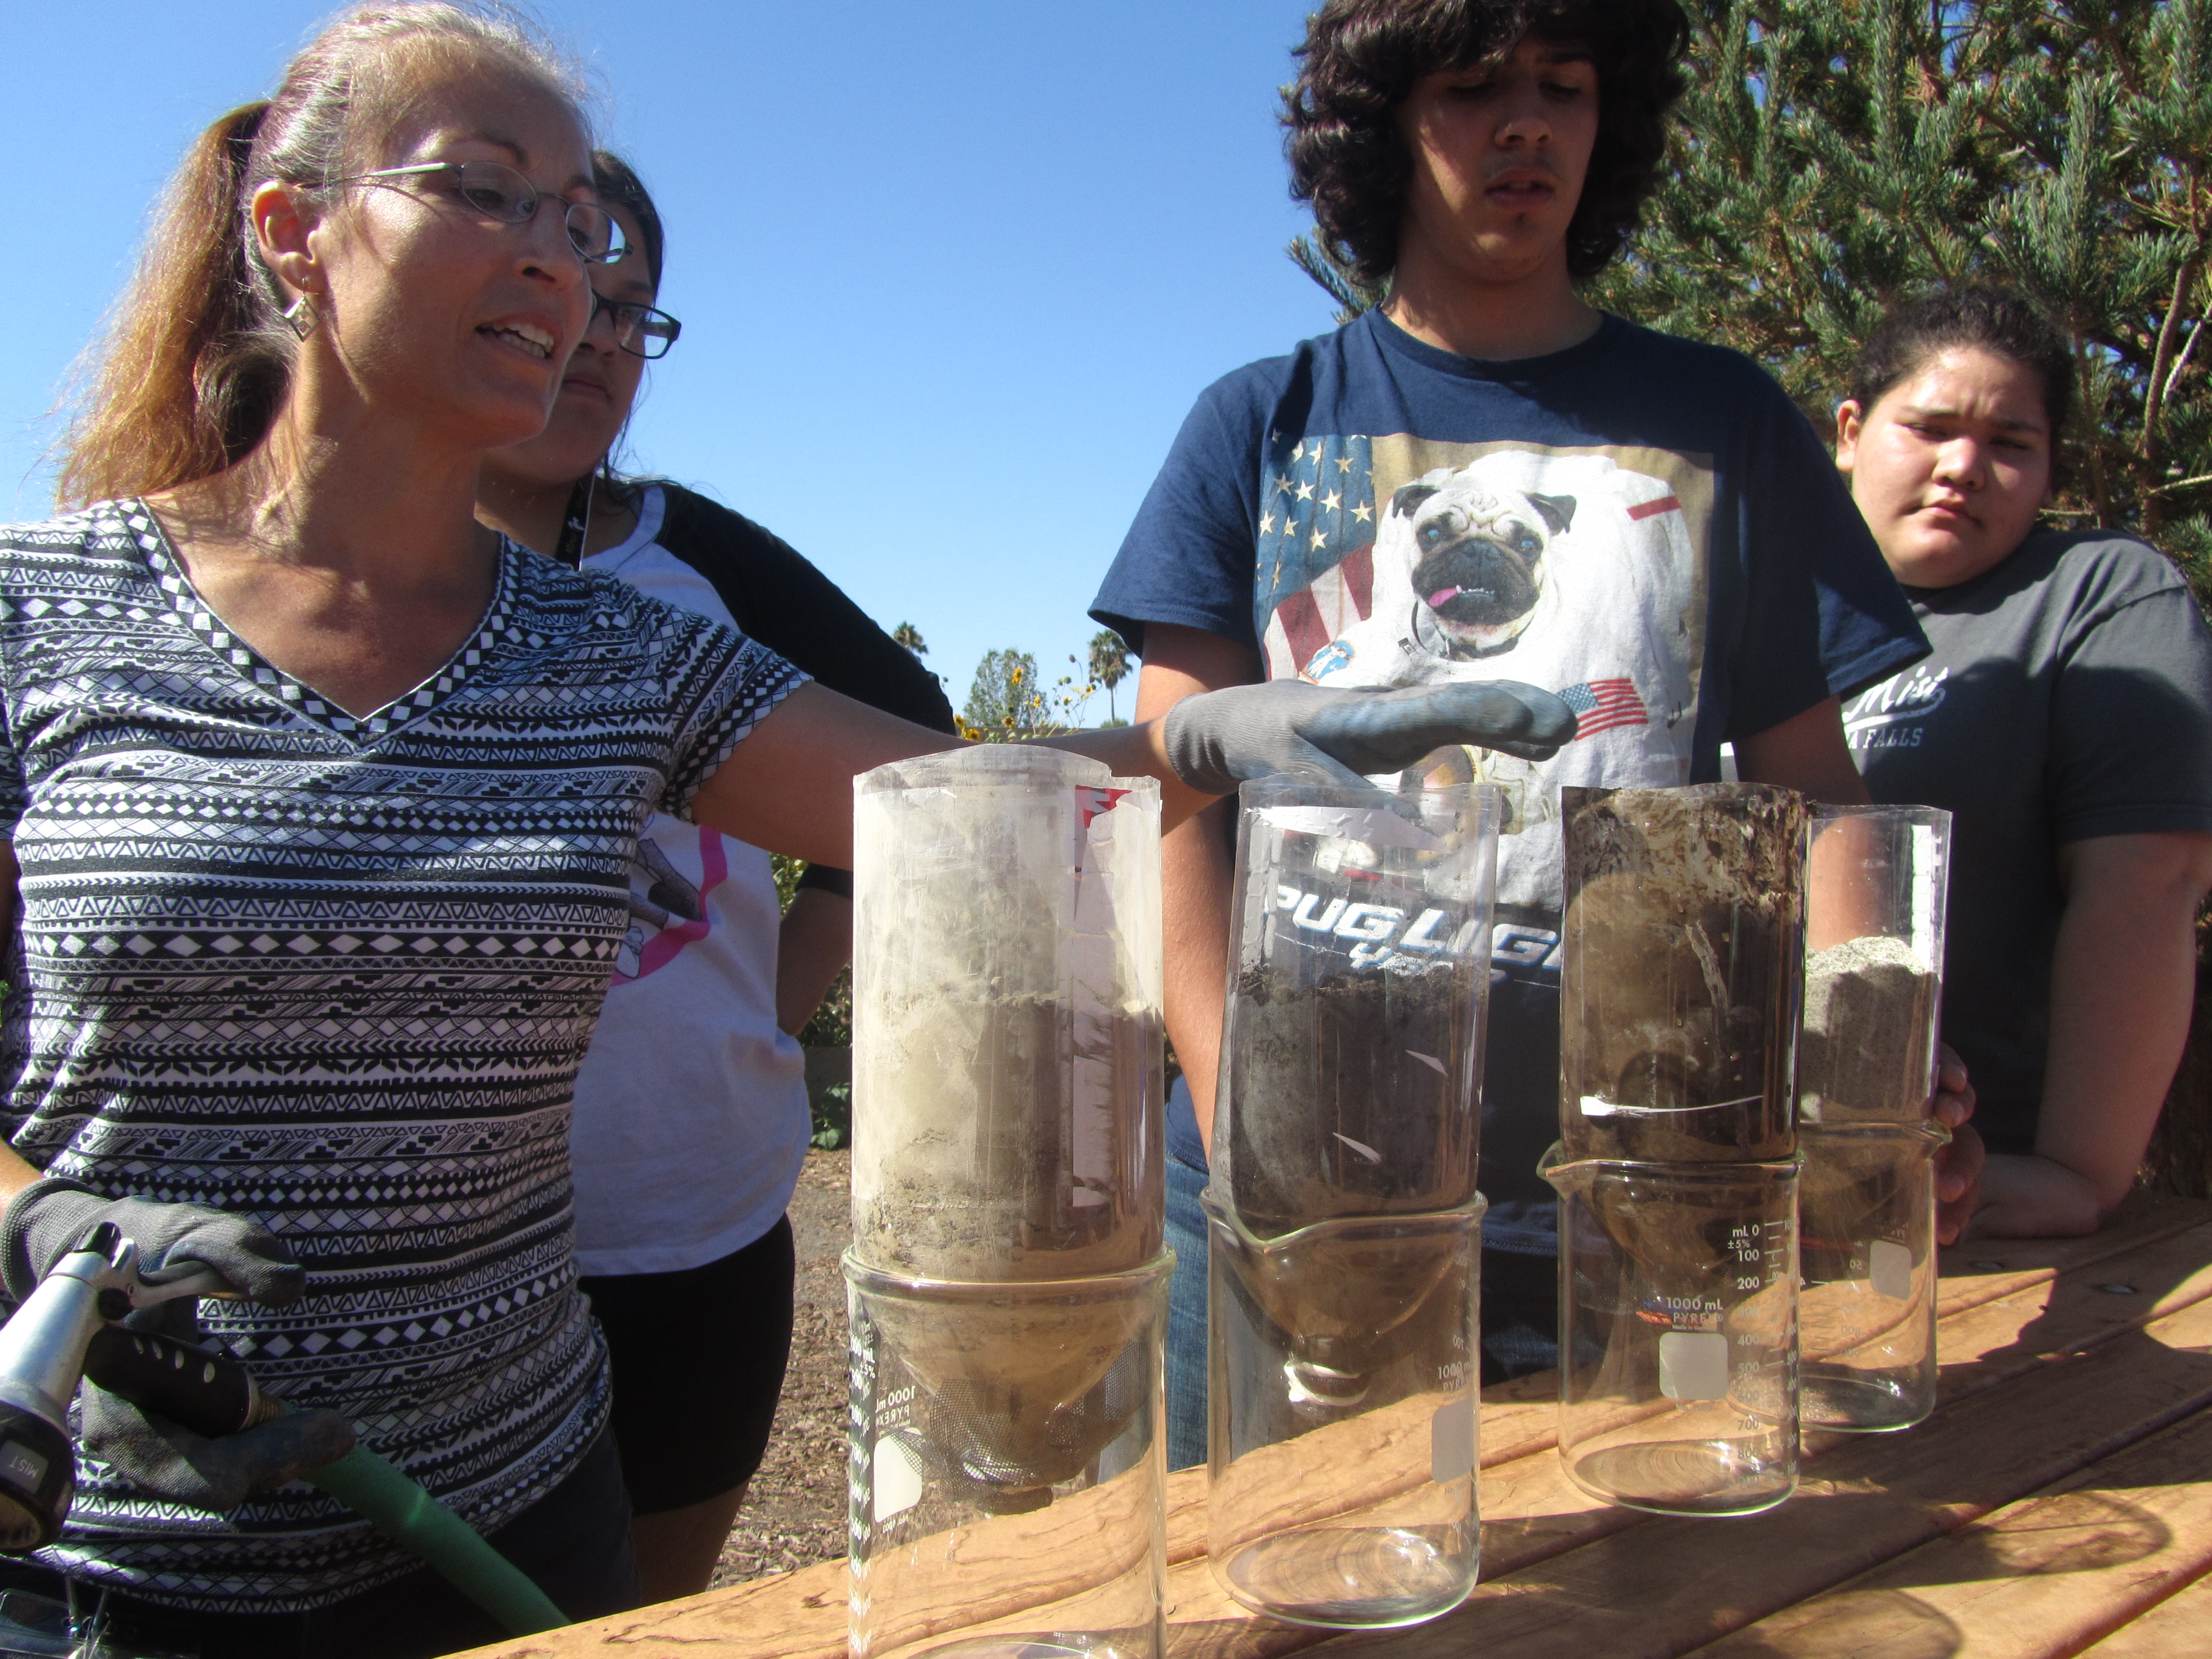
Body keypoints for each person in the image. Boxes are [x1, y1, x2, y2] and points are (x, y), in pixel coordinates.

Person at [0, 6, 1571, 1649]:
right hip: (105, 1561)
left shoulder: (617, 651)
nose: (557, 263)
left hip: (519, 1530)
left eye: (581, 226)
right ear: (292, 231)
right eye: (485, 193)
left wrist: (1226, 736)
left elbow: (962, 796)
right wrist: (32, 1224)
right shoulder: (43, 614)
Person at [1089, 0, 1939, 1470]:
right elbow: (1171, 804)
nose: (1526, 124)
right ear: (1380, 127)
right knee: (1287, 1598)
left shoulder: (1724, 422)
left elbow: (1816, 802)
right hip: (1289, 1191)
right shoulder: (1260, 425)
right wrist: (1245, 1138)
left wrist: (1866, 1085)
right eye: (1472, 88)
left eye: (1566, 85)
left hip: (1645, 1197)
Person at [473, 151, 958, 1603]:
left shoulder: (695, 566)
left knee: (649, 1622)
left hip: (694, 1224)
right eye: (571, 295)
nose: (601, 341)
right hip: (428, 1267)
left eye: (638, 313)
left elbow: (925, 771)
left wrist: (781, 1006)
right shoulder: (349, 584)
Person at [1836, 288, 2212, 1239]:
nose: (1964, 467)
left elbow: (2148, 882)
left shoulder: (2098, 595)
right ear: (1848, 431)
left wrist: (2075, 1169)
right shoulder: (1752, 616)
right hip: (1752, 1182)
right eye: (1927, 427)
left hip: (1974, 1194)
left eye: (2012, 444)